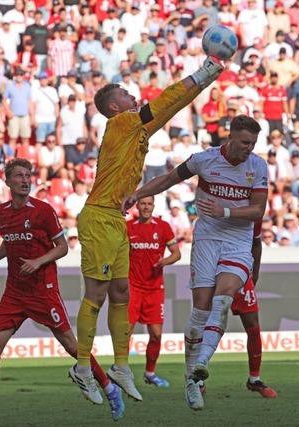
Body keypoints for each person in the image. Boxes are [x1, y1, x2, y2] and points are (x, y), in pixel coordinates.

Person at [72, 55, 225, 402]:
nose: (132, 96)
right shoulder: (122, 123)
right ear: (115, 105)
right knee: (96, 295)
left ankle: (121, 366)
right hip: (98, 216)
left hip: (114, 218)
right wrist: (201, 73)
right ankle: (82, 368)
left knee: (120, 294)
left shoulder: (135, 130)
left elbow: (168, 109)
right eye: (126, 93)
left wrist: (204, 84)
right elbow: (162, 102)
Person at [0, 159, 124, 427]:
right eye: (19, 175)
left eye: (28, 175)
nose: (25, 179)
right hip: (14, 292)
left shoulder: (43, 211)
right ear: (8, 181)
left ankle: (110, 389)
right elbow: (10, 243)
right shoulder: (1, 212)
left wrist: (38, 261)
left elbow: (62, 247)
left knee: (71, 345)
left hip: (43, 290)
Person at [123, 115, 268, 410]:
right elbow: (168, 178)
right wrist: (138, 194)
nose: (248, 149)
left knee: (223, 301)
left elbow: (258, 210)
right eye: (244, 143)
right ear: (230, 138)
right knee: (200, 311)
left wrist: (225, 211)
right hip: (206, 240)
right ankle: (192, 380)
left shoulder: (258, 166)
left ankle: (201, 364)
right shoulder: (204, 160)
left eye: (252, 144)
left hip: (238, 242)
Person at [126, 196, 181, 388]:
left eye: (149, 204)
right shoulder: (128, 227)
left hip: (155, 288)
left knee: (156, 334)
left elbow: (177, 253)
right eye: (143, 203)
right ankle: (122, 373)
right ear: (137, 206)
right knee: (126, 331)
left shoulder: (163, 227)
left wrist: (164, 261)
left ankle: (150, 373)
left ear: (153, 206)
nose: (146, 207)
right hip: (133, 287)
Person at [231, 219, 278, 398]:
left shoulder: (252, 215)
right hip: (217, 272)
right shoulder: (220, 208)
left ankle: (254, 379)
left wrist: (255, 273)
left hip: (242, 275)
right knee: (210, 321)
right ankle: (198, 379)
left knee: (253, 327)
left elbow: (256, 244)